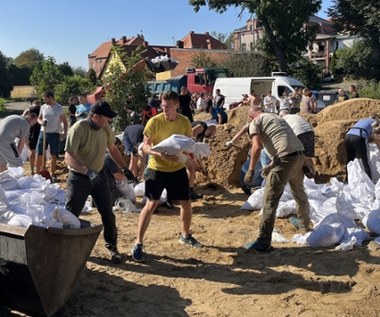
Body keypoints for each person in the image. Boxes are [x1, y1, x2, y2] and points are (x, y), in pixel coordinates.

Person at [131, 90, 202, 262]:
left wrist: (185, 154)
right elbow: (145, 147)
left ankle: (185, 235)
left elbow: (187, 143)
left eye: (168, 107)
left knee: (186, 202)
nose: (165, 110)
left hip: (177, 168)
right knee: (151, 203)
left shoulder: (184, 122)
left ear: (177, 105)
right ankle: (138, 243)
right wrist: (159, 154)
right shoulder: (154, 122)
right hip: (157, 168)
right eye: (162, 106)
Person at [65, 100, 129, 264]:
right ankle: (65, 249)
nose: (109, 121)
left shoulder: (105, 128)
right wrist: (87, 171)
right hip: (79, 178)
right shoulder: (78, 129)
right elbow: (69, 157)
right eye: (106, 118)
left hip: (99, 176)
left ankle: (112, 246)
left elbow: (112, 149)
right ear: (94, 116)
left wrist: (124, 167)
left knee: (108, 213)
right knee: (71, 216)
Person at [243, 106, 311, 252]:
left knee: (269, 200)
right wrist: (271, 164)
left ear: (250, 116)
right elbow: (284, 142)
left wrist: (250, 170)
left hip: (285, 159)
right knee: (299, 193)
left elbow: (256, 146)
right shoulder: (276, 118)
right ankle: (305, 225)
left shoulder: (256, 121)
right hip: (299, 156)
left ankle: (263, 242)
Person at [36, 91, 68, 179]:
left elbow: (65, 122)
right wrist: (41, 122)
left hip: (54, 134)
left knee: (53, 154)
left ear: (50, 98)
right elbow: (39, 118)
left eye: (45, 99)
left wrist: (64, 133)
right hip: (43, 132)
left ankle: (52, 173)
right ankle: (38, 173)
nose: (44, 101)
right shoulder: (43, 107)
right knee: (39, 153)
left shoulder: (59, 108)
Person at [279, 110, 316, 177]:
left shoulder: (283, 119)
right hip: (310, 132)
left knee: (298, 156)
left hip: (299, 133)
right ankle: (313, 173)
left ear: (281, 116)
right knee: (307, 156)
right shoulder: (296, 116)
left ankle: (299, 175)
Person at [23, 100, 41, 174]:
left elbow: (23, 117)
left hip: (31, 133)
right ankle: (39, 169)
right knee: (40, 153)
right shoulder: (42, 109)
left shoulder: (29, 110)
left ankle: (32, 170)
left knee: (31, 151)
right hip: (40, 132)